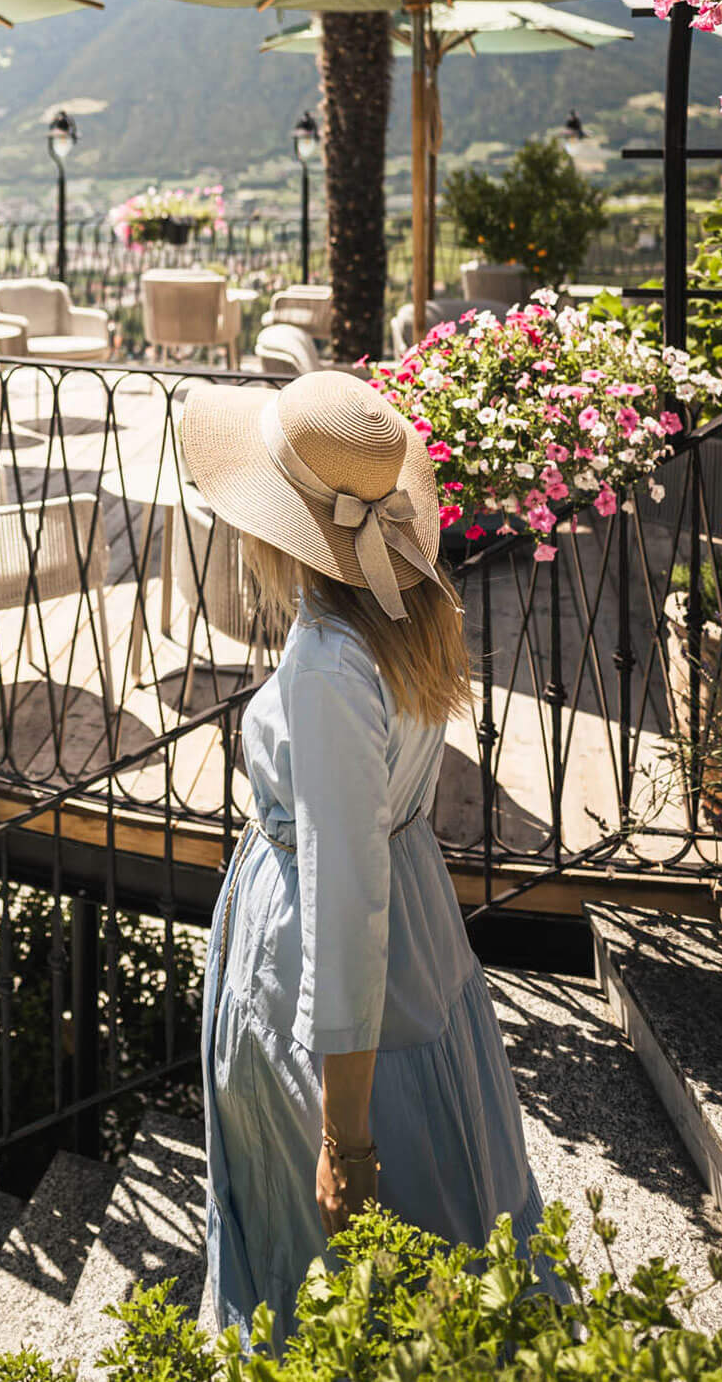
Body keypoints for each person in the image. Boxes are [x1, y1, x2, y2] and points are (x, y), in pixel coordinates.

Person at [180, 371, 544, 1344]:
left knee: (349, 1260)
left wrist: (346, 1140)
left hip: (327, 949)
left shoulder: (329, 663)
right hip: (417, 914)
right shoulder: (407, 599)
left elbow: (345, 900)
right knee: (455, 1188)